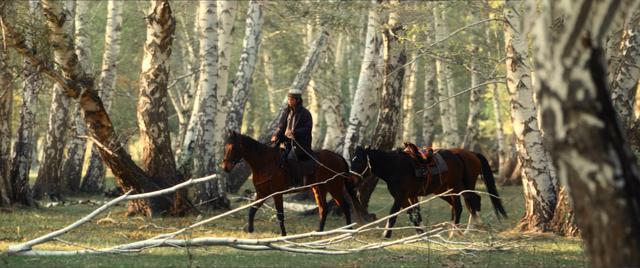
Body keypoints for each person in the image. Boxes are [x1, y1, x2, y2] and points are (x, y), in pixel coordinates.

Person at [271, 88, 314, 187]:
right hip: (286, 142)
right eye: (289, 99)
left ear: (298, 100)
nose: (289, 101)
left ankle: (296, 182)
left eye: (292, 99)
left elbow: (307, 128)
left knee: (291, 158)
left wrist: (294, 132)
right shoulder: (286, 112)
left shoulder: (305, 113)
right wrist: (276, 135)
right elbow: (281, 126)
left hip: (299, 143)